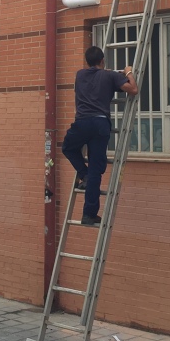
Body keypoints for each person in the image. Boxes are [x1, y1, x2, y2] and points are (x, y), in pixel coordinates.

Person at [62, 46, 138, 225]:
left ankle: (83, 173)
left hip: (81, 123)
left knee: (67, 147)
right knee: (96, 169)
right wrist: (128, 72)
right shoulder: (109, 76)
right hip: (100, 125)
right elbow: (132, 89)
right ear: (102, 60)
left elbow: (96, 77)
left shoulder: (80, 75)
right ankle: (88, 215)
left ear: (87, 61)